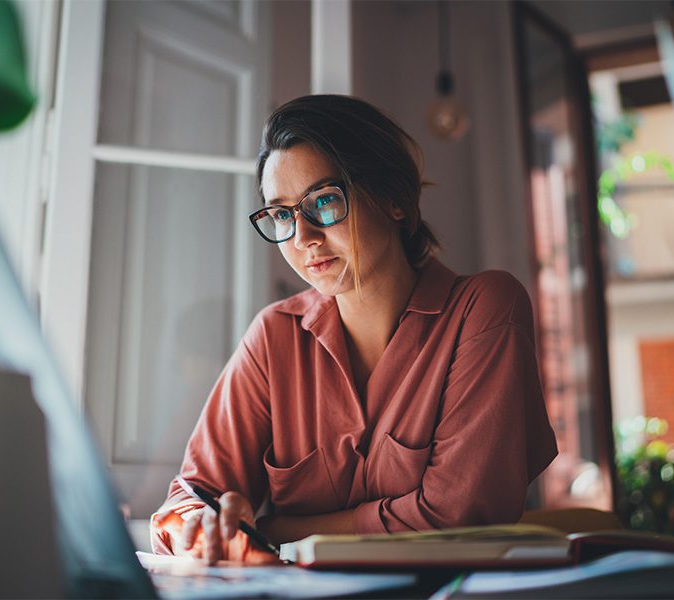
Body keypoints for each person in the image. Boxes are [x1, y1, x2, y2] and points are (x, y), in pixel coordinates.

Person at [150, 95, 557, 564]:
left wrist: (277, 530)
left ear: (393, 199)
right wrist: (197, 524)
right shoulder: (273, 338)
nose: (303, 238)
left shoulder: (484, 310)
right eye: (282, 214)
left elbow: (457, 515)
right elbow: (192, 495)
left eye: (324, 201)